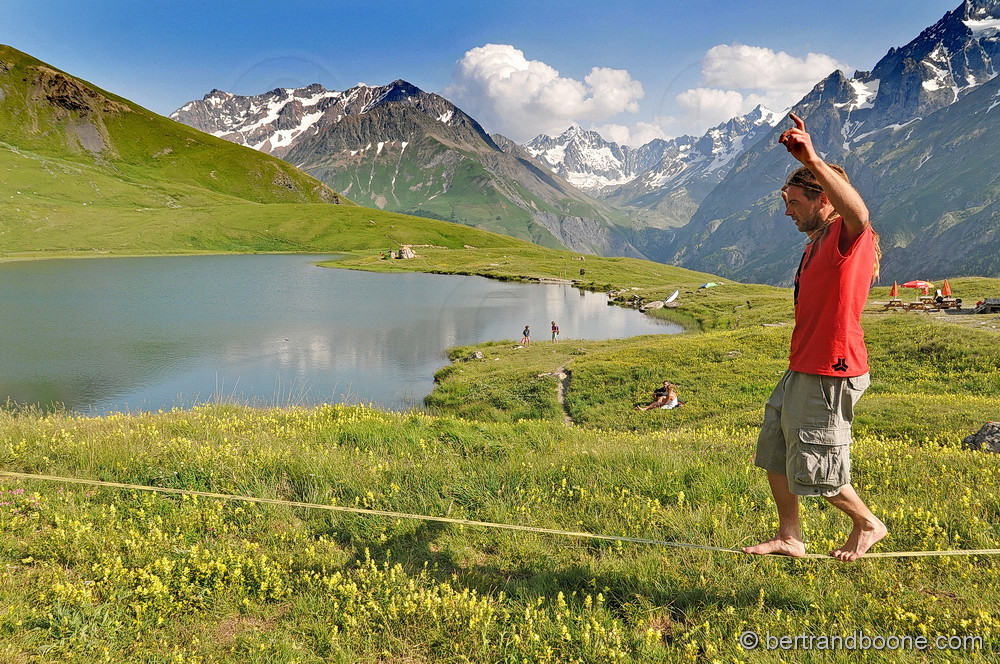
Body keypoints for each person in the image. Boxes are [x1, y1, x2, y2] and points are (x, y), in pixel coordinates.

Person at [742, 112, 887, 563]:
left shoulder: (848, 236)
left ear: (822, 197)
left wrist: (812, 160)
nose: (787, 211)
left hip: (830, 369)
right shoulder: (816, 242)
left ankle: (868, 523)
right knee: (776, 452)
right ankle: (790, 536)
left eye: (793, 201)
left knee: (817, 466)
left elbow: (859, 212)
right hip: (803, 366)